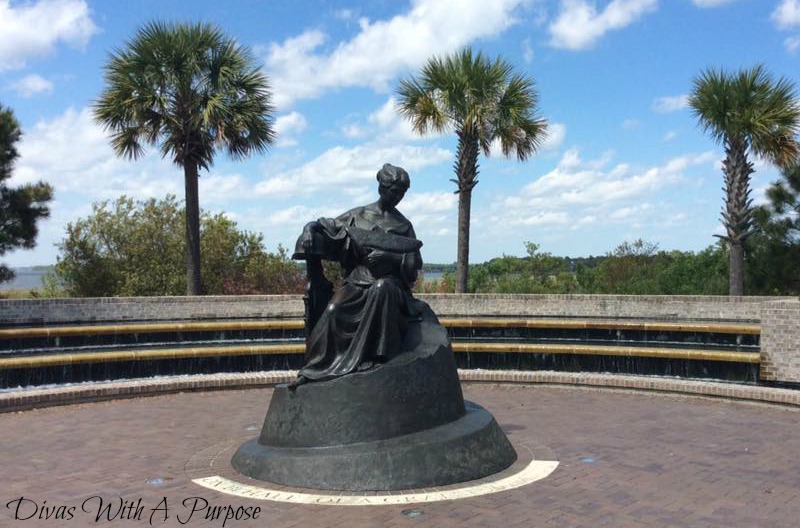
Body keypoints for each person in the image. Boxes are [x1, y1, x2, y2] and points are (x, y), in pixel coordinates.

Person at [290, 164, 423, 387]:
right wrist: (308, 229)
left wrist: (389, 259)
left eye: (402, 193)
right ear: (382, 188)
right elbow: (324, 225)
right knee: (332, 311)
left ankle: (374, 358)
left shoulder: (404, 225)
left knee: (381, 289)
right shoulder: (357, 216)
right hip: (357, 281)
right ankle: (314, 369)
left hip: (390, 285)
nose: (398, 197)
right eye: (395, 191)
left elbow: (412, 268)